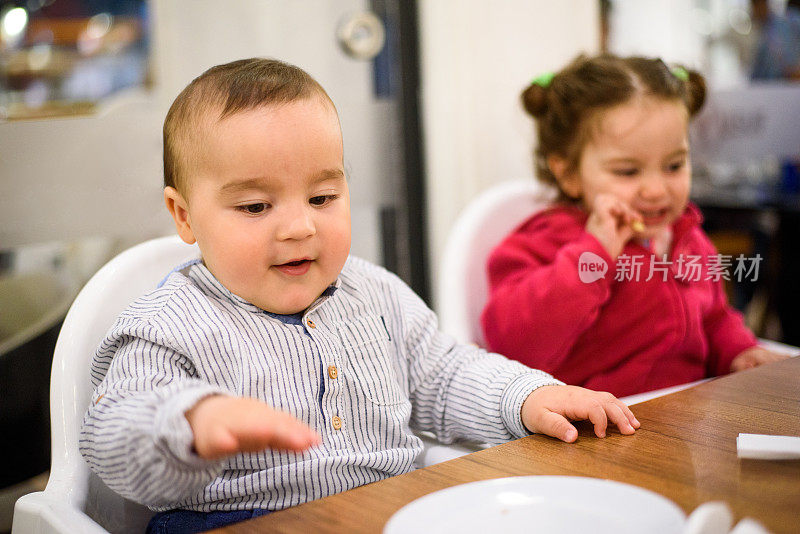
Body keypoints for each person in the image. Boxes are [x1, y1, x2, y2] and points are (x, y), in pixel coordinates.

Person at [79, 58, 640, 534]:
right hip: (240, 521)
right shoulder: (170, 321)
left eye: (322, 196)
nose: (299, 227)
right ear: (184, 215)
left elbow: (445, 376)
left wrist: (527, 398)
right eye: (255, 207)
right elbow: (111, 429)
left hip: (391, 508)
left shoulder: (375, 294)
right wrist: (193, 423)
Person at [481, 54, 789, 399]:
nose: (656, 190)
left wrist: (739, 352)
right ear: (568, 173)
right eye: (628, 172)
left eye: (674, 165)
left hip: (683, 425)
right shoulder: (545, 241)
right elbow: (512, 344)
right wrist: (592, 254)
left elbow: (714, 319)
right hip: (588, 435)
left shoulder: (687, 237)